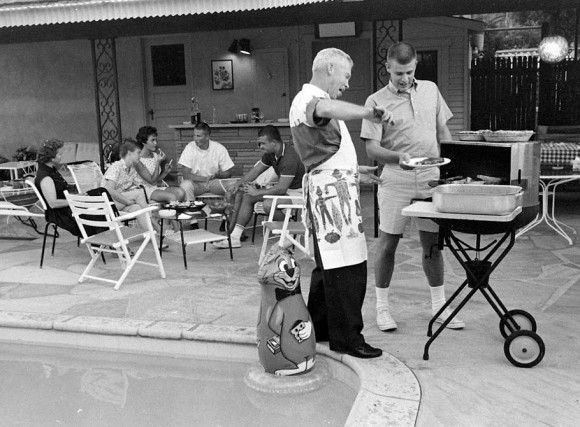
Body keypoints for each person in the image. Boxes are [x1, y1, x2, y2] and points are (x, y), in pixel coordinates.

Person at [289, 47, 392, 359]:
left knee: (330, 266)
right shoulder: (309, 99)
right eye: (345, 76)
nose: (347, 83)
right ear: (329, 68)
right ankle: (347, 338)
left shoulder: (314, 101)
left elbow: (324, 154)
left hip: (333, 189)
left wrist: (355, 171)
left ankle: (321, 327)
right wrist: (367, 112)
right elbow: (326, 109)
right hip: (331, 198)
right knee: (347, 268)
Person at [360, 41, 465, 332]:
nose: (404, 79)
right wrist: (398, 158)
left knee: (433, 244)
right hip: (397, 178)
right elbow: (371, 149)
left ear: (416, 65)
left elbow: (442, 130)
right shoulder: (375, 101)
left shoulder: (431, 90)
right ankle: (382, 308)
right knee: (388, 244)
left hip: (432, 175)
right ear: (387, 68)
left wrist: (452, 166)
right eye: (398, 74)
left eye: (408, 72)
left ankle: (439, 307)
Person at [212, 125, 305, 249]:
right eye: (259, 144)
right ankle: (235, 238)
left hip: (299, 192)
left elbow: (281, 188)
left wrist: (257, 192)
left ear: (274, 142)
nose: (260, 147)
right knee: (248, 197)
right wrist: (238, 183)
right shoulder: (271, 153)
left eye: (263, 143)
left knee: (268, 204)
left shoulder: (289, 158)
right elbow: (256, 171)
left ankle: (291, 231)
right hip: (286, 189)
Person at [102, 139, 161, 233]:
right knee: (138, 194)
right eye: (138, 153)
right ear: (129, 153)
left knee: (137, 208)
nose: (140, 156)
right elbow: (109, 189)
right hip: (107, 204)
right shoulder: (117, 166)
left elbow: (129, 185)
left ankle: (151, 236)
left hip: (118, 203)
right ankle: (157, 227)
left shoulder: (132, 169)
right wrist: (126, 201)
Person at [35, 139, 83, 237]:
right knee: (97, 217)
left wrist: (79, 196)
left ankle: (102, 240)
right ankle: (100, 240)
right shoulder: (46, 177)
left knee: (97, 200)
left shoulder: (51, 169)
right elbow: (53, 203)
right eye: (60, 154)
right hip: (60, 214)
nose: (62, 156)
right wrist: (75, 200)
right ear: (52, 158)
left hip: (66, 208)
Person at [178, 122, 236, 200]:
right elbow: (186, 174)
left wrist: (219, 175)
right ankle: (191, 207)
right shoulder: (189, 148)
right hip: (196, 183)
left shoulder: (219, 148)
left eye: (198, 136)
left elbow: (228, 173)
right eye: (194, 135)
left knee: (234, 184)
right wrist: (205, 179)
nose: (195, 139)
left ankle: (227, 207)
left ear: (207, 137)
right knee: (185, 185)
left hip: (214, 182)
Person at [134, 126, 186, 203]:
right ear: (144, 142)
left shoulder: (155, 155)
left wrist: (165, 172)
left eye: (156, 140)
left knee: (181, 192)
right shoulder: (138, 160)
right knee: (173, 197)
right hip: (144, 190)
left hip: (155, 188)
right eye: (152, 140)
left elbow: (156, 180)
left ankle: (170, 209)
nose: (156, 143)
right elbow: (152, 181)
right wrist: (158, 163)